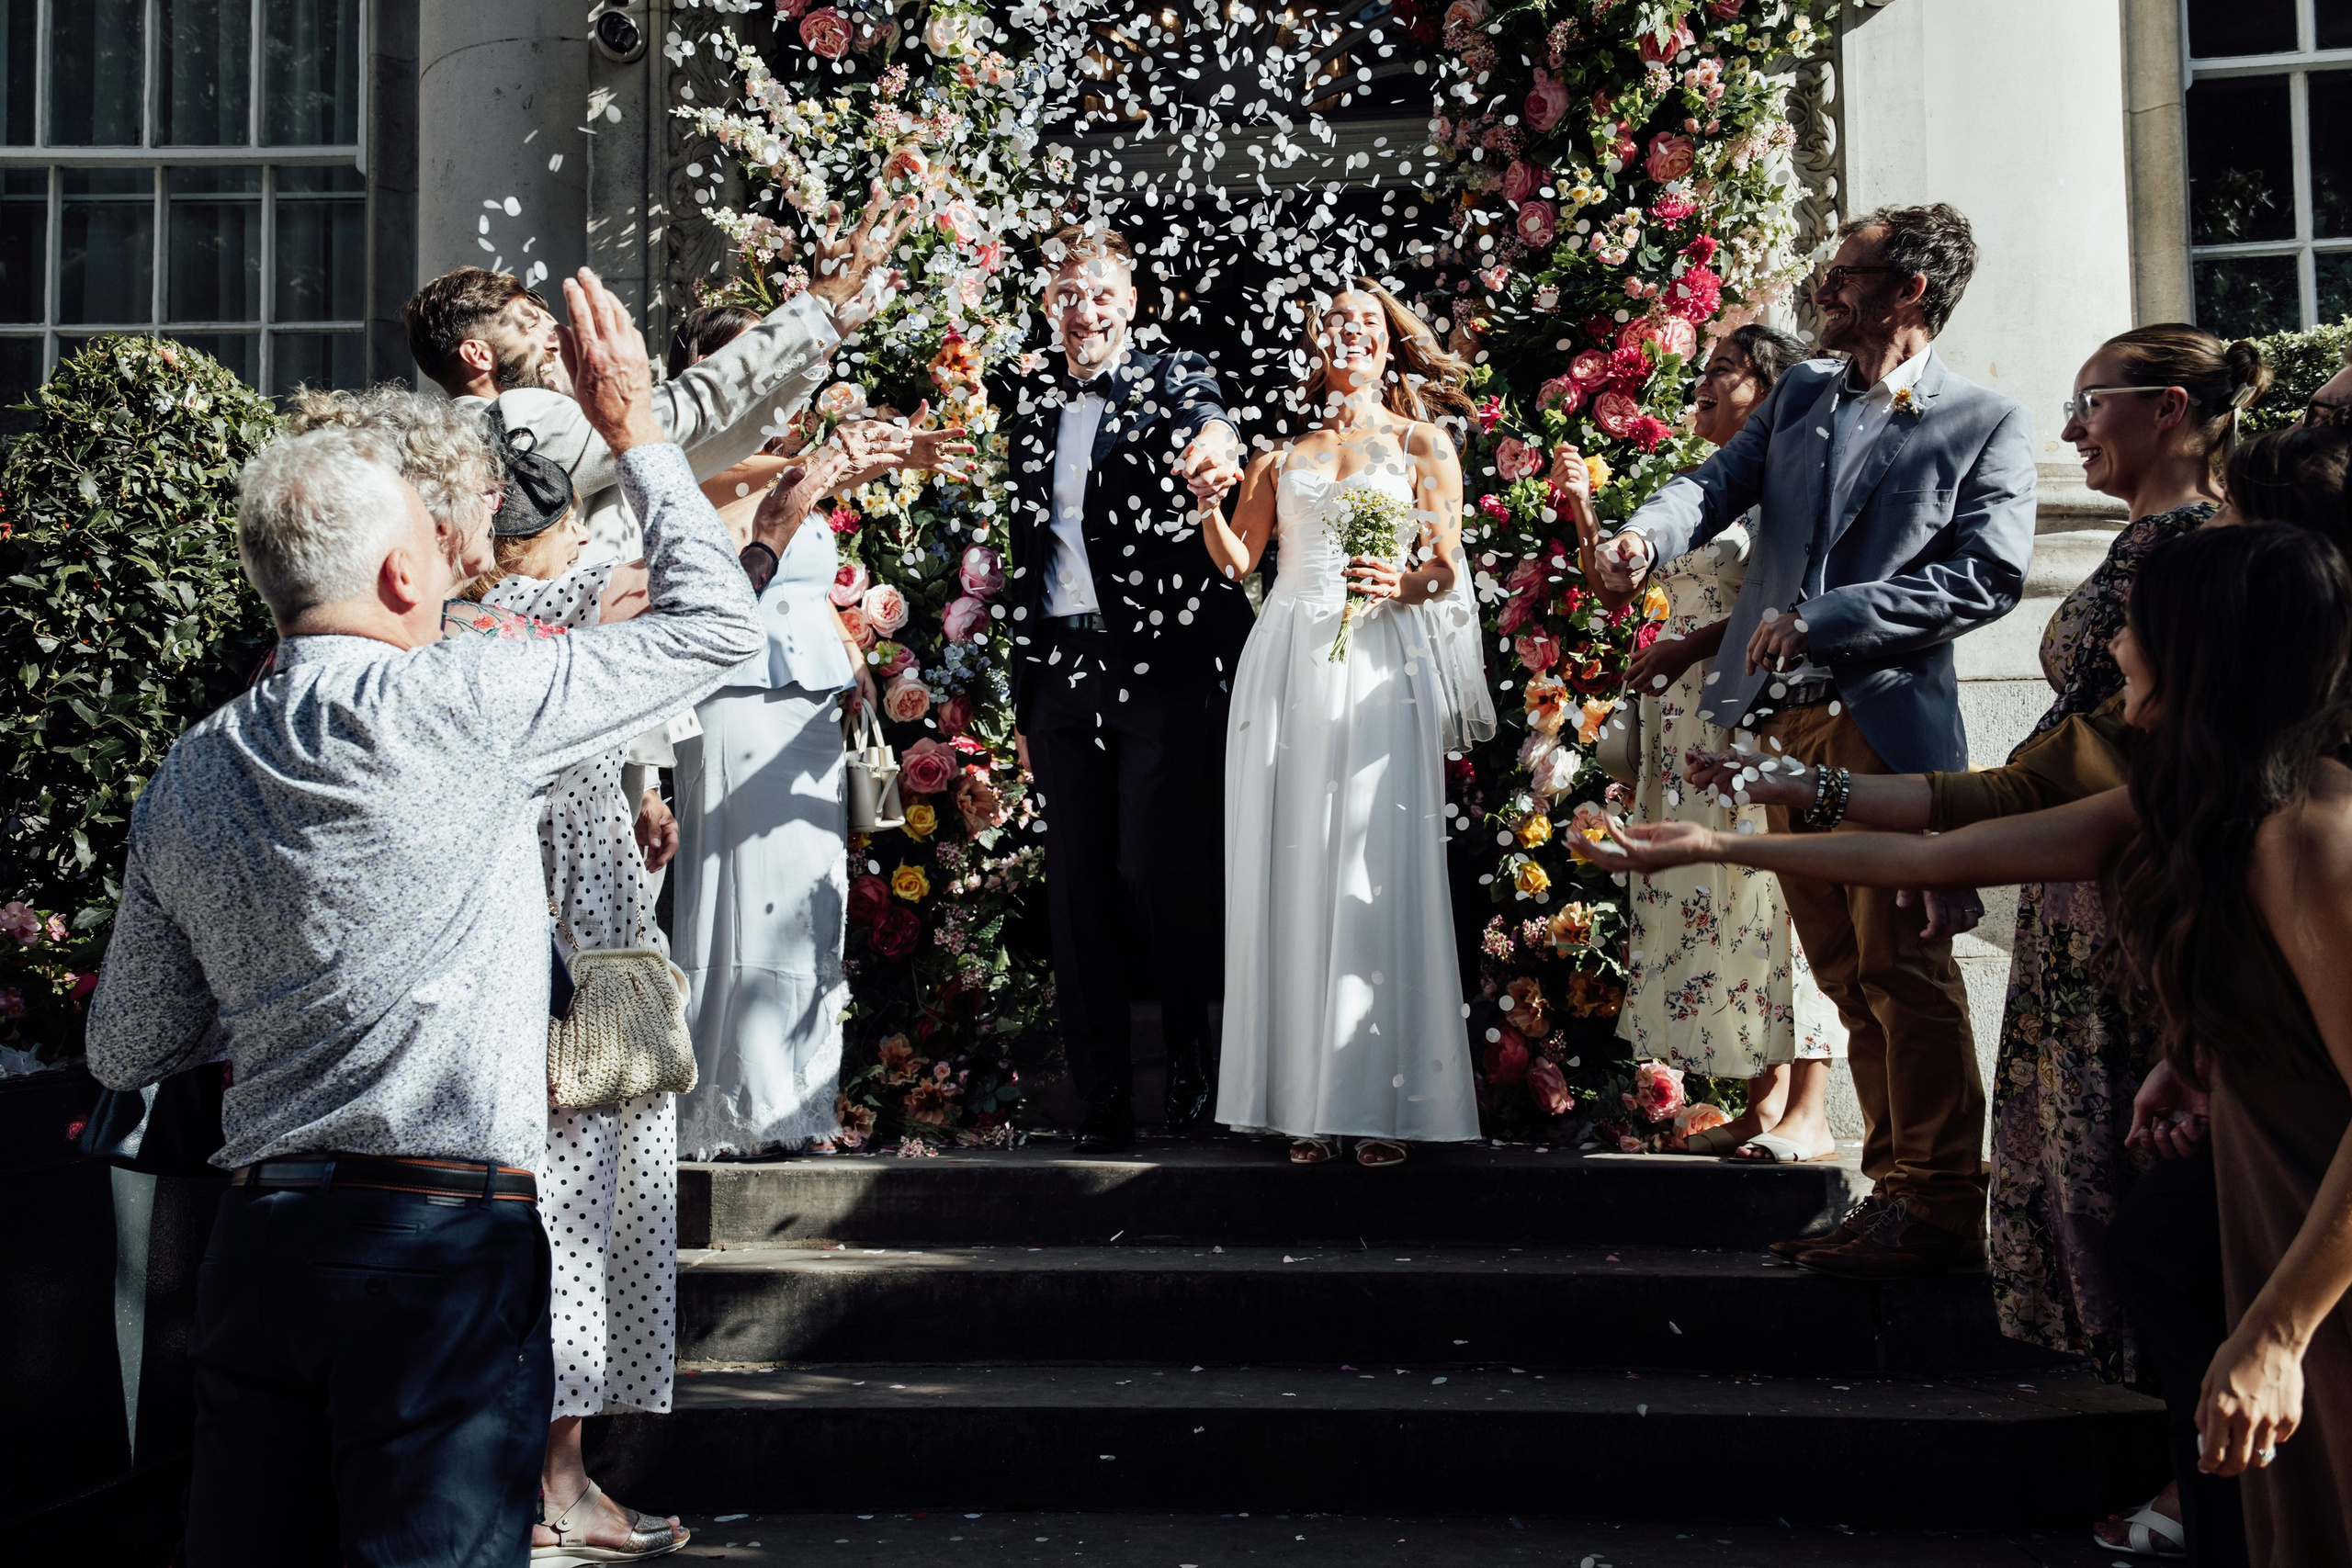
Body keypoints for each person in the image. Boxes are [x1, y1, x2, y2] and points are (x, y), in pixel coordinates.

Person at [83, 268, 764, 1568]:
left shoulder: (190, 767)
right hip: (438, 1242)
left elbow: (128, 1046)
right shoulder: (465, 702)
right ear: (403, 572)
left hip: (259, 1244)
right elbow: (715, 623)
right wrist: (637, 434)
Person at [1589, 522, 2352, 1567]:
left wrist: (2274, 1331)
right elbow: (1955, 843)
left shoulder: (2313, 827)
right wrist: (1721, 841)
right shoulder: (2195, 794)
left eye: (2134, 629)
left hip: (2322, 1231)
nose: (2114, 650)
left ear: (2201, 651)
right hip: (2276, 1193)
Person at [1591, 202, 2038, 1279]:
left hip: (1881, 722)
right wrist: (1643, 535)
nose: (1827, 289)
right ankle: (1893, 1192)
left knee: (1904, 967)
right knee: (1841, 972)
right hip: (1774, 723)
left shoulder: (1985, 419)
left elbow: (1987, 574)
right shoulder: (1797, 393)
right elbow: (1713, 483)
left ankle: (1936, 1206)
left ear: (1908, 292)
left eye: (1848, 274)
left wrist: (1834, 619)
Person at [1199, 281, 1487, 1167]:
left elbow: (1444, 565)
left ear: (1389, 342)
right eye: (1335, 321)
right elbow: (1240, 561)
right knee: (1290, 859)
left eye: (1366, 321)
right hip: (1285, 655)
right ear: (1316, 342)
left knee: (1374, 861)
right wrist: (1208, 499)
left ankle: (1382, 1099)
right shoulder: (1282, 455)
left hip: (1377, 662)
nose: (1349, 332)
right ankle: (1299, 1104)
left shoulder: (1421, 443)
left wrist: (1400, 585)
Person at [1572, 321, 1848, 1162]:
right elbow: (1616, 584)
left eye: (1723, 371)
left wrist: (1688, 648)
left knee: (1785, 900)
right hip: (1687, 721)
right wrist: (1585, 512)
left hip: (1756, 711)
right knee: (1734, 904)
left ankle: (1812, 1109)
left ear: (1770, 392)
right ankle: (1762, 1103)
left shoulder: (1791, 482)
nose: (1702, 383)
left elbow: (1790, 591)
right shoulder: (1701, 486)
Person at [1003, 223, 1250, 1153]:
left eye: (1100, 291)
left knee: (1157, 867)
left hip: (1160, 669)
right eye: (1067, 292)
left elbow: (1209, 414)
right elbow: (1026, 546)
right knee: (1078, 885)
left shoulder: (1169, 376)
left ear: (1130, 302)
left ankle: (1190, 1066)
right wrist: (1026, 691)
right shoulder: (1028, 401)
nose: (1084, 308)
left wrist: (1215, 448)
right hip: (1061, 671)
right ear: (1047, 306)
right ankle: (1100, 1091)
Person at [671, 411, 968, 1160]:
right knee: (734, 887)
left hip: (811, 698)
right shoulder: (696, 469)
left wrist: (849, 653)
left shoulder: (787, 469)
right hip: (737, 691)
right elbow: (781, 488)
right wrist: (853, 458)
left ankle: (796, 1102)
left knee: (810, 894)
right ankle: (727, 1102)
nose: (777, 410)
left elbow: (804, 500)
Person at [403, 186, 913, 562]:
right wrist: (814, 310)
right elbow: (677, 414)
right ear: (477, 355)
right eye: (531, 322)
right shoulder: (509, 420)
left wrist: (825, 332)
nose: (556, 331)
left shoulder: (496, 431)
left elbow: (693, 446)